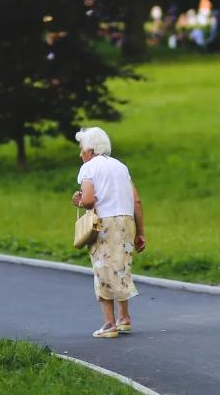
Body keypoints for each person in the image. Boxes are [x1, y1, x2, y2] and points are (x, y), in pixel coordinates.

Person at [71, 127, 146, 338]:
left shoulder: (89, 168)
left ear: (90, 149)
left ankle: (109, 324)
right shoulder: (121, 167)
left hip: (105, 224)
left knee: (102, 270)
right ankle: (124, 318)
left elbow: (88, 201)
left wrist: (78, 200)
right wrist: (141, 232)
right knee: (121, 268)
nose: (80, 154)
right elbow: (137, 201)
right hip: (126, 221)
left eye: (81, 149)